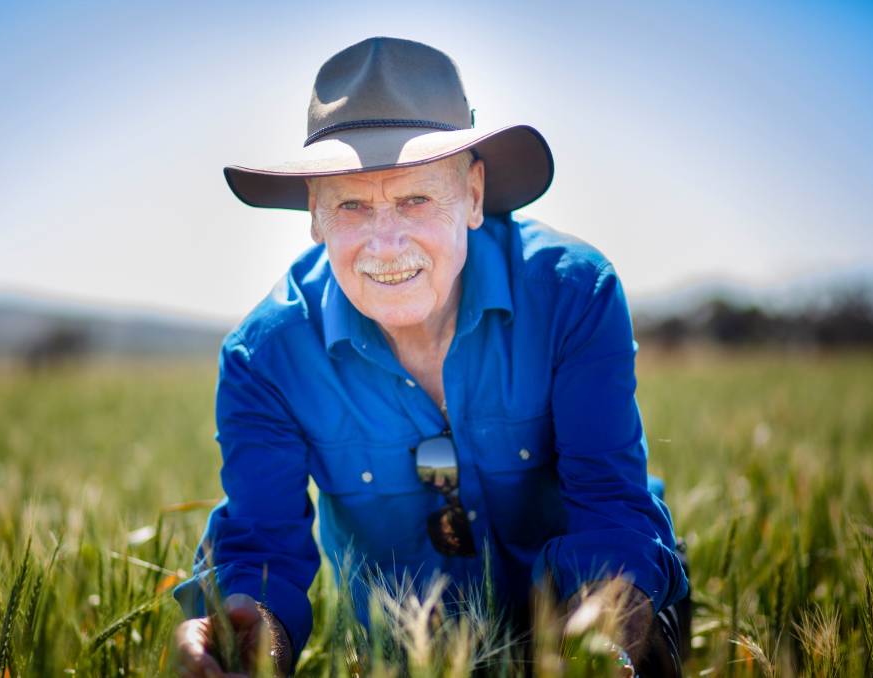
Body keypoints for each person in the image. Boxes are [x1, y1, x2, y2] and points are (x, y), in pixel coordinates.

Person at [173, 36, 689, 677]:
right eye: (353, 205)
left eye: (416, 199)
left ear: (473, 195)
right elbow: (259, 547)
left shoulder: (573, 294)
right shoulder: (266, 358)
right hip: (407, 658)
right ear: (315, 215)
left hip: (584, 627)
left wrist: (596, 648)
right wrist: (250, 632)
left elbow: (610, 508)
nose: (386, 245)